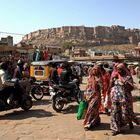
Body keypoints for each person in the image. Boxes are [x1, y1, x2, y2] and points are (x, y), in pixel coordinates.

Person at [110, 63, 139, 136]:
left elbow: (131, 88)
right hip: (115, 98)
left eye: (120, 69)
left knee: (126, 113)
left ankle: (131, 121)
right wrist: (112, 79)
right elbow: (111, 86)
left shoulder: (128, 77)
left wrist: (123, 81)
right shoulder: (115, 76)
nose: (119, 71)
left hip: (125, 98)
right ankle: (115, 129)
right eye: (118, 69)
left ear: (124, 69)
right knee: (115, 113)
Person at [83, 65, 103, 130]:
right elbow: (87, 86)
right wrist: (85, 93)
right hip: (89, 96)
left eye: (96, 69)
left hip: (96, 96)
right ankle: (96, 121)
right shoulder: (90, 77)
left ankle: (88, 124)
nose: (94, 71)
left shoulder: (99, 78)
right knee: (93, 110)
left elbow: (101, 88)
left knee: (91, 110)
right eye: (93, 69)